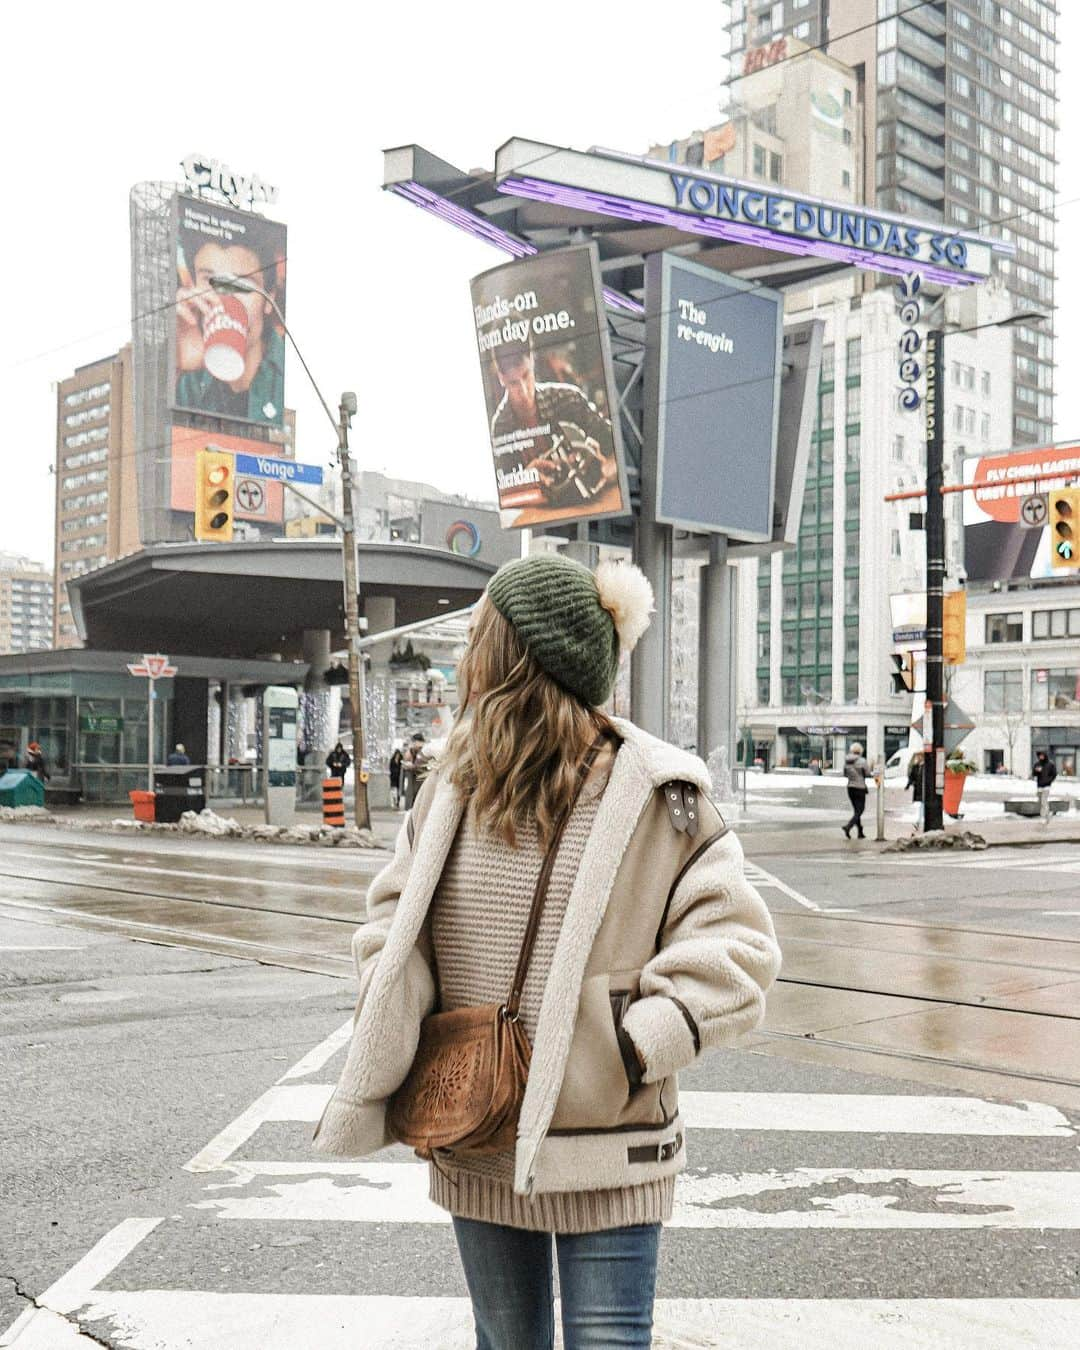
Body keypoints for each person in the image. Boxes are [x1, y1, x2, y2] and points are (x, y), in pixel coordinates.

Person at [313, 553, 781, 1349]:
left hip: (608, 1143)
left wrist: (632, 1047)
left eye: (479, 636)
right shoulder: (452, 785)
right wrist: (392, 991)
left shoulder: (662, 795)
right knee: (505, 1342)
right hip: (478, 1132)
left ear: (516, 654)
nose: (465, 655)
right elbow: (393, 916)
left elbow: (738, 948)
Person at [490, 340, 620, 510]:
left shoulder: (568, 398)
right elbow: (505, 494)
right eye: (514, 383)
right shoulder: (500, 427)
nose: (523, 390)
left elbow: (618, 449)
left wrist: (604, 469)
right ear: (501, 378)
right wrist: (525, 480)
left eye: (526, 376)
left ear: (532, 360)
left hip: (596, 505)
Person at [174, 229, 286, 425]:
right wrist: (175, 367)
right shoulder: (187, 380)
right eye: (211, 281)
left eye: (243, 284)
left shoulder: (288, 376)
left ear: (269, 299)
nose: (226, 297)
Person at [843, 742, 871, 839]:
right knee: (860, 810)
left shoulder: (846, 761)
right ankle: (848, 826)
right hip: (860, 788)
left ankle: (860, 832)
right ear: (860, 751)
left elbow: (845, 774)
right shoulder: (862, 761)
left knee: (856, 810)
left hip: (850, 787)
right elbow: (867, 773)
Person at [1032, 750, 1058, 824]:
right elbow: (1033, 774)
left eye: (1042, 755)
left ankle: (1043, 817)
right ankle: (1047, 816)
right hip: (1039, 786)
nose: (1041, 757)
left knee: (1044, 801)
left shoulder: (1050, 764)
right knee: (1041, 802)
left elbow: (1054, 774)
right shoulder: (1037, 764)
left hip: (1046, 786)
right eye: (1040, 755)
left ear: (1045, 756)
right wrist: (1036, 771)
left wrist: (1049, 780)